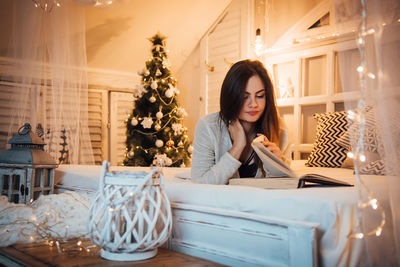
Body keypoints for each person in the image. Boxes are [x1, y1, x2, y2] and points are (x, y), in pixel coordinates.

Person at [191, 59, 290, 184]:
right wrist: (237, 147)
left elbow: (285, 188)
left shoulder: (280, 129)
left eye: (260, 96)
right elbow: (200, 184)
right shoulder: (208, 126)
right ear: (231, 97)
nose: (253, 104)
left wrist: (275, 165)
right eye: (244, 97)